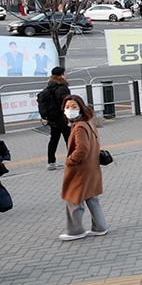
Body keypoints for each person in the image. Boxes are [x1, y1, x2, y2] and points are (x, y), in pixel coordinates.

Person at [58, 95, 108, 241]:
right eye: (67, 107)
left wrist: (70, 161)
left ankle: (75, 231)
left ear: (81, 107)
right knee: (92, 198)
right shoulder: (87, 122)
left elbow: (82, 149)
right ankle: (100, 227)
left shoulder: (79, 126)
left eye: (74, 106)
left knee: (73, 199)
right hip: (92, 168)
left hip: (81, 170)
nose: (69, 110)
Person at [44, 67, 71, 171]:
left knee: (53, 140)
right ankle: (73, 160)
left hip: (53, 118)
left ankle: (51, 162)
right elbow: (67, 103)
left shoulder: (50, 86)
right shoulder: (62, 88)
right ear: (62, 75)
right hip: (62, 118)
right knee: (69, 139)